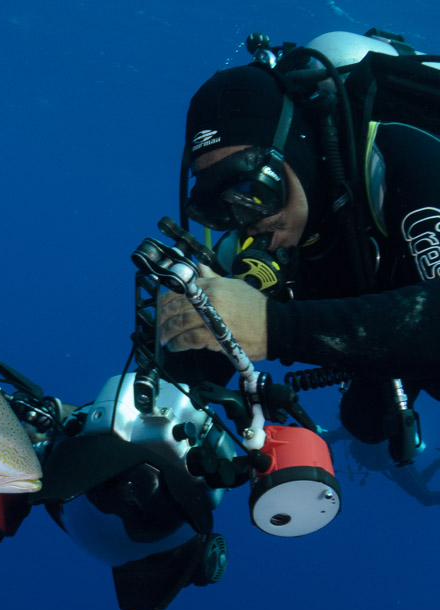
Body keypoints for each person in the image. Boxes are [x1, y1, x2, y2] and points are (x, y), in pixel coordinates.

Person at [160, 53, 440, 450]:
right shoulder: (240, 252)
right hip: (387, 322)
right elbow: (174, 381)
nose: (245, 219)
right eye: (218, 206)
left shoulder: (399, 159)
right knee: (367, 422)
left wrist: (274, 326)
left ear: (297, 149)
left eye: (253, 187)